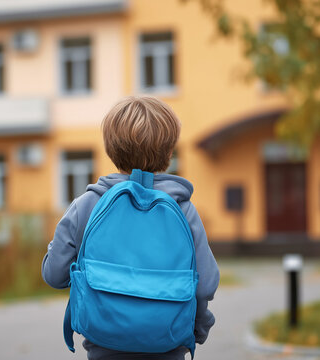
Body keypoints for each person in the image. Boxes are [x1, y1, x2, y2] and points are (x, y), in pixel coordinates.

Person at [42, 96, 220, 359]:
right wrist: (199, 329)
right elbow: (204, 285)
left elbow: (54, 275)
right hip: (168, 345)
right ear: (169, 153)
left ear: (111, 150)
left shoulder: (87, 205)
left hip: (103, 345)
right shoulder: (183, 209)